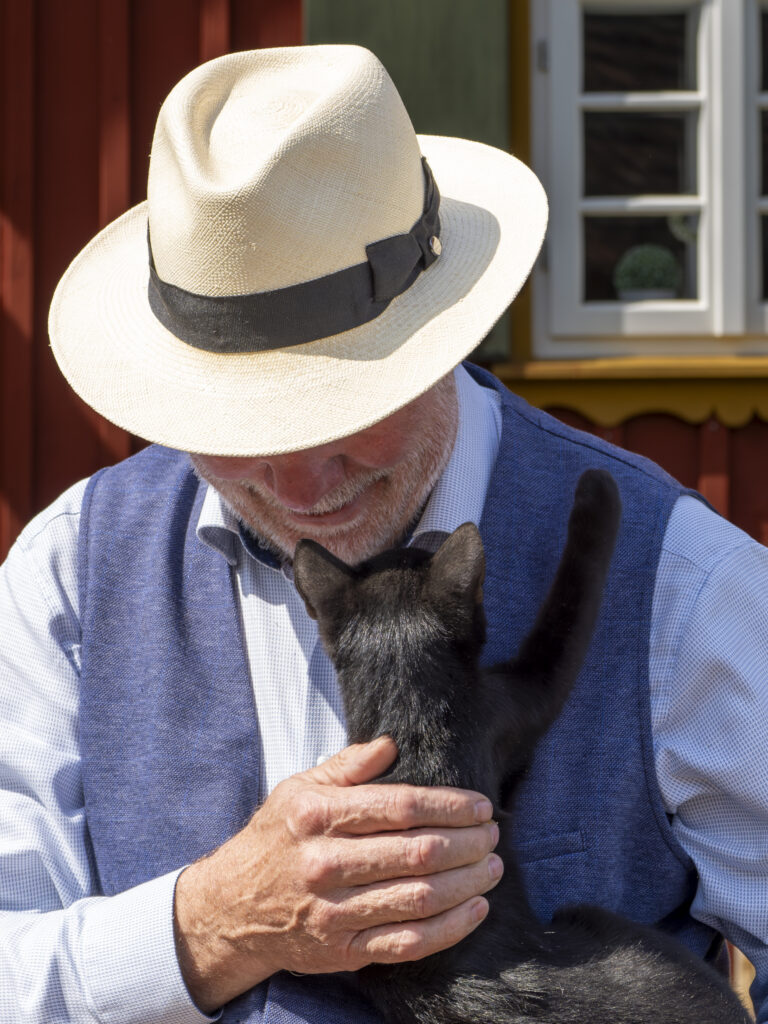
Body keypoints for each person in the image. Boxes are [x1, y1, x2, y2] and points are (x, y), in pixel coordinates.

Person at [0, 43, 766, 1024]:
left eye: (337, 405)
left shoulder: (684, 584)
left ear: (441, 332)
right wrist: (208, 928)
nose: (299, 482)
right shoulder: (66, 578)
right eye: (238, 428)